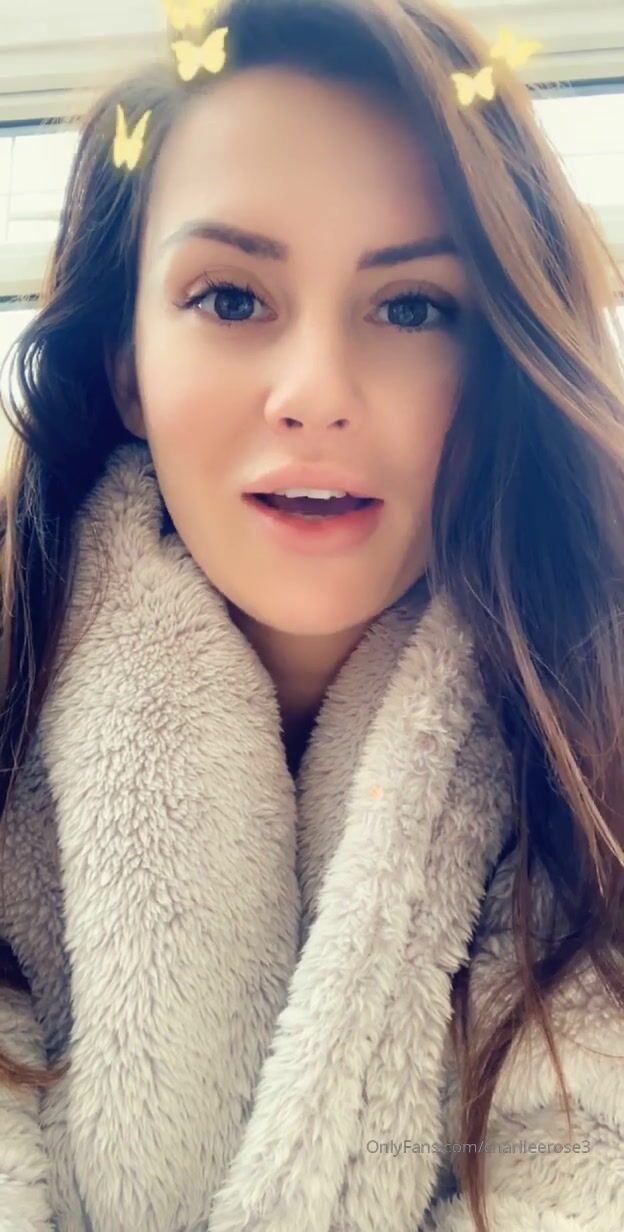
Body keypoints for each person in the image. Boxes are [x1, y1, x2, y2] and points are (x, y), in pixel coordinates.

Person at [0, 0, 623, 1228]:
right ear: (126, 366)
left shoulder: (597, 751)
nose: (315, 394)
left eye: (413, 307)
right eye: (231, 299)